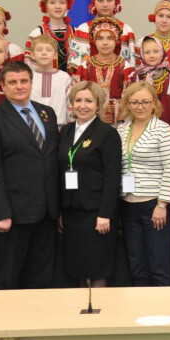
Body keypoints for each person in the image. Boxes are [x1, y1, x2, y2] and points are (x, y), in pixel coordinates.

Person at [0, 61, 60, 289]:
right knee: (9, 278)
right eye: (12, 82)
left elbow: (51, 160)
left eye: (24, 81)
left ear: (31, 83)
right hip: (13, 216)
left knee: (42, 277)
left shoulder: (47, 113)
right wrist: (1, 213)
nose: (19, 86)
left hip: (47, 213)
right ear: (3, 86)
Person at [58, 81, 121, 287]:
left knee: (96, 267)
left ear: (98, 105)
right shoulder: (65, 131)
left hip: (96, 213)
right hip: (71, 212)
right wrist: (60, 211)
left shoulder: (107, 133)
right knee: (76, 267)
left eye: (88, 101)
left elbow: (112, 176)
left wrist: (105, 214)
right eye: (78, 100)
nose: (82, 106)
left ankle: (98, 308)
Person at [118, 81, 170, 286]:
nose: (140, 106)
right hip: (128, 205)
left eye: (145, 101)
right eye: (134, 102)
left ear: (154, 103)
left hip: (154, 206)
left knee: (158, 266)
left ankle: (162, 306)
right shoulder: (122, 130)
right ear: (127, 104)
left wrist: (162, 205)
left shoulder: (163, 130)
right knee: (137, 266)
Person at [76, 16, 134, 126]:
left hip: (118, 120)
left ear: (116, 41)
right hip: (90, 117)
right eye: (100, 38)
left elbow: (128, 95)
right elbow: (80, 93)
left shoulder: (124, 66)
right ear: (94, 41)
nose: (105, 43)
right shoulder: (86, 66)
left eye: (110, 38)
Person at [70, 0, 137, 67]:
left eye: (109, 0)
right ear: (94, 3)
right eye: (100, 0)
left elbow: (131, 66)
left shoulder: (126, 30)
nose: (105, 4)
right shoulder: (83, 29)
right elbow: (76, 68)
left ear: (115, 2)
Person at [129, 36, 170, 130]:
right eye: (147, 52)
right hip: (139, 128)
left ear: (162, 52)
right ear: (141, 54)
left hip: (165, 128)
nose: (152, 55)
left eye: (156, 51)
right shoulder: (135, 77)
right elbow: (128, 104)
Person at [25, 0, 78, 73]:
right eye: (52, 2)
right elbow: (30, 66)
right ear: (45, 6)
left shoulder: (76, 33)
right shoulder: (36, 34)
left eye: (62, 2)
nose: (58, 6)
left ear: (67, 6)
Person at [28, 34, 74, 126]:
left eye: (48, 50)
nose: (44, 53)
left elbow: (70, 104)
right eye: (39, 50)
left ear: (55, 55)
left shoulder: (64, 77)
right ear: (32, 55)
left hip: (59, 127)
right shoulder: (28, 78)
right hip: (34, 127)